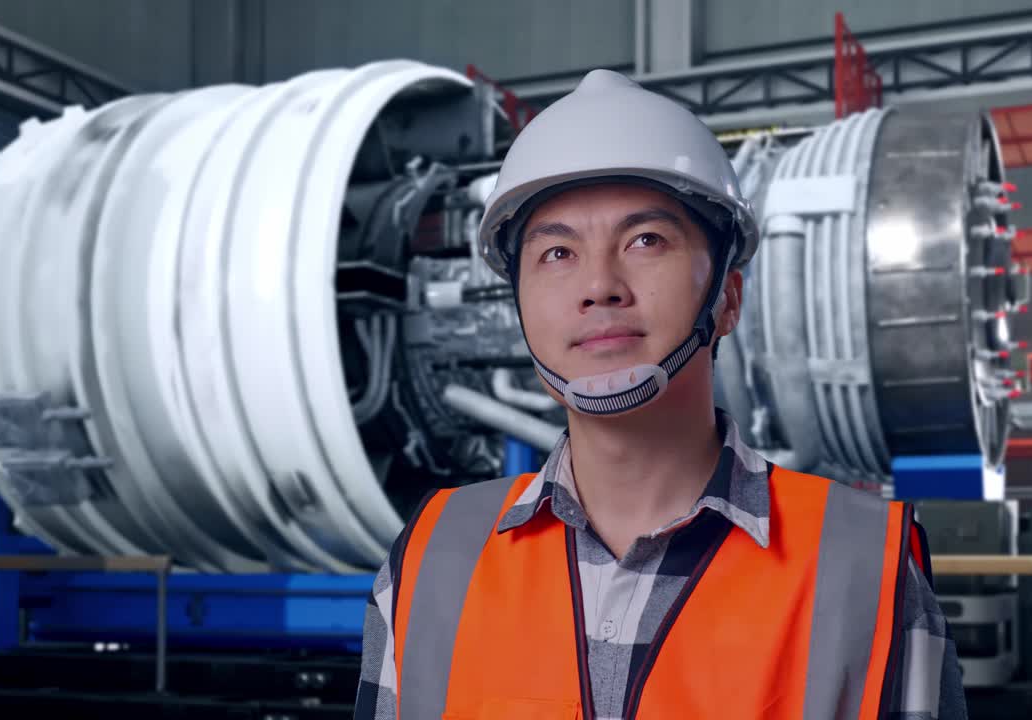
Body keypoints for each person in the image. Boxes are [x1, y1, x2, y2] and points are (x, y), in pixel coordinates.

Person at [354, 69, 968, 720]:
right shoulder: (430, 559)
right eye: (556, 253)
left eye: (646, 241)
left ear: (727, 298)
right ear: (518, 307)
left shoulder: (864, 570)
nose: (599, 285)